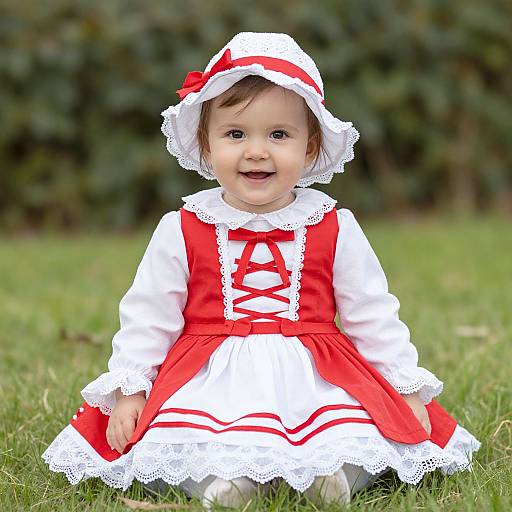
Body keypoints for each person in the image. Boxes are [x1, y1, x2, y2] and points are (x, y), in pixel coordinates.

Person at [42, 32, 480, 509]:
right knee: (186, 435)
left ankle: (333, 477)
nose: (256, 150)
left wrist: (404, 386)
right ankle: (223, 484)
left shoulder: (334, 225)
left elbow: (372, 313)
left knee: (354, 427)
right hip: (211, 371)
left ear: (310, 147)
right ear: (206, 146)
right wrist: (131, 388)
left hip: (315, 372)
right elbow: (149, 315)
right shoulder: (183, 227)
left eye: (279, 134)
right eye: (235, 134)